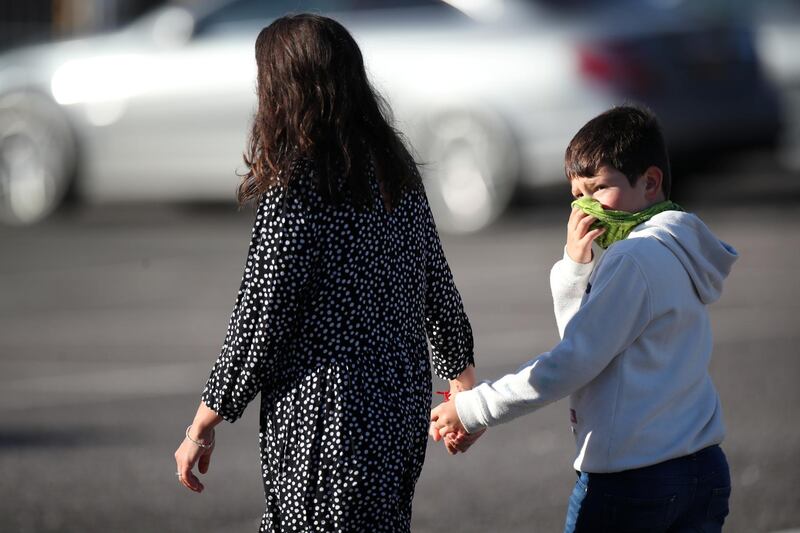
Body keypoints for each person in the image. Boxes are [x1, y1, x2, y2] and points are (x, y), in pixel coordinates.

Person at [173, 14, 477, 533]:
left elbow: (260, 317)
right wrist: (463, 385)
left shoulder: (298, 187)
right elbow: (437, 285)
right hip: (398, 400)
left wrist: (204, 422)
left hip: (326, 411)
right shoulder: (392, 171)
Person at [430, 105, 738, 532]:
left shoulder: (635, 257)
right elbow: (591, 345)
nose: (587, 210)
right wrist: (576, 269)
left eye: (599, 190)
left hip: (635, 482)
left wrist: (473, 409)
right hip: (701, 470)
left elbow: (575, 361)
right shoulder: (679, 247)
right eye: (577, 196)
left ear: (650, 183)